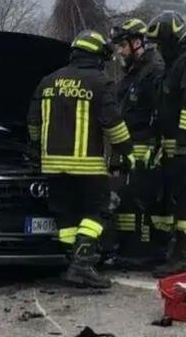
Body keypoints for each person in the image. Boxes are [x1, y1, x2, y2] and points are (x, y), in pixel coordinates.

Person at [28, 30, 132, 289]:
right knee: (99, 210)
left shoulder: (48, 81)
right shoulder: (100, 82)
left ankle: (72, 264)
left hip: (51, 165)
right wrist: (127, 152)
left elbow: (33, 124)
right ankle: (82, 264)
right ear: (97, 55)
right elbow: (113, 124)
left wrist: (39, 146)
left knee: (66, 217)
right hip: (87, 166)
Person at [145, 11, 186, 278]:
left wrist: (183, 144)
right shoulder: (179, 62)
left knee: (185, 201)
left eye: (161, 45)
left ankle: (183, 255)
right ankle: (170, 251)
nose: (159, 51)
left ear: (172, 39)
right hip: (173, 145)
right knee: (171, 199)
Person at [109, 17, 166, 269]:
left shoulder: (153, 70)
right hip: (128, 148)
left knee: (142, 201)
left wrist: (155, 147)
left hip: (145, 148)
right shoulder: (131, 74)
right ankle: (128, 249)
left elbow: (159, 113)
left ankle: (143, 252)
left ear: (137, 42)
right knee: (126, 200)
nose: (120, 52)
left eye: (123, 46)